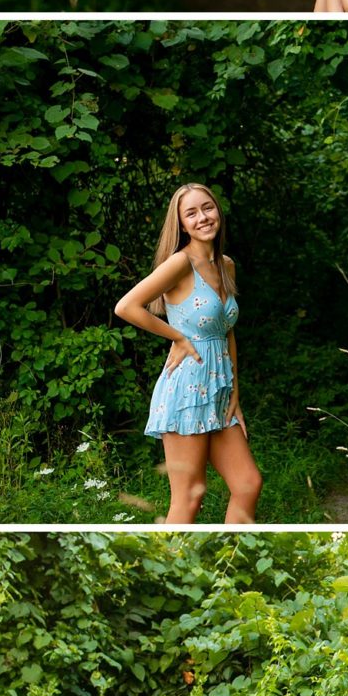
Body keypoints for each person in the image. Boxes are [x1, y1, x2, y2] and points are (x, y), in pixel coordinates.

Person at [113, 184, 262, 525]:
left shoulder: (226, 265)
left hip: (220, 389)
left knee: (248, 483)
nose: (202, 218)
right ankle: (170, 568)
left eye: (207, 208)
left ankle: (230, 561)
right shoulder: (180, 263)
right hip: (187, 390)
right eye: (191, 213)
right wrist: (177, 337)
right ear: (181, 224)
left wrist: (235, 391)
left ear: (218, 212)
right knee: (190, 495)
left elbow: (227, 332)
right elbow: (126, 306)